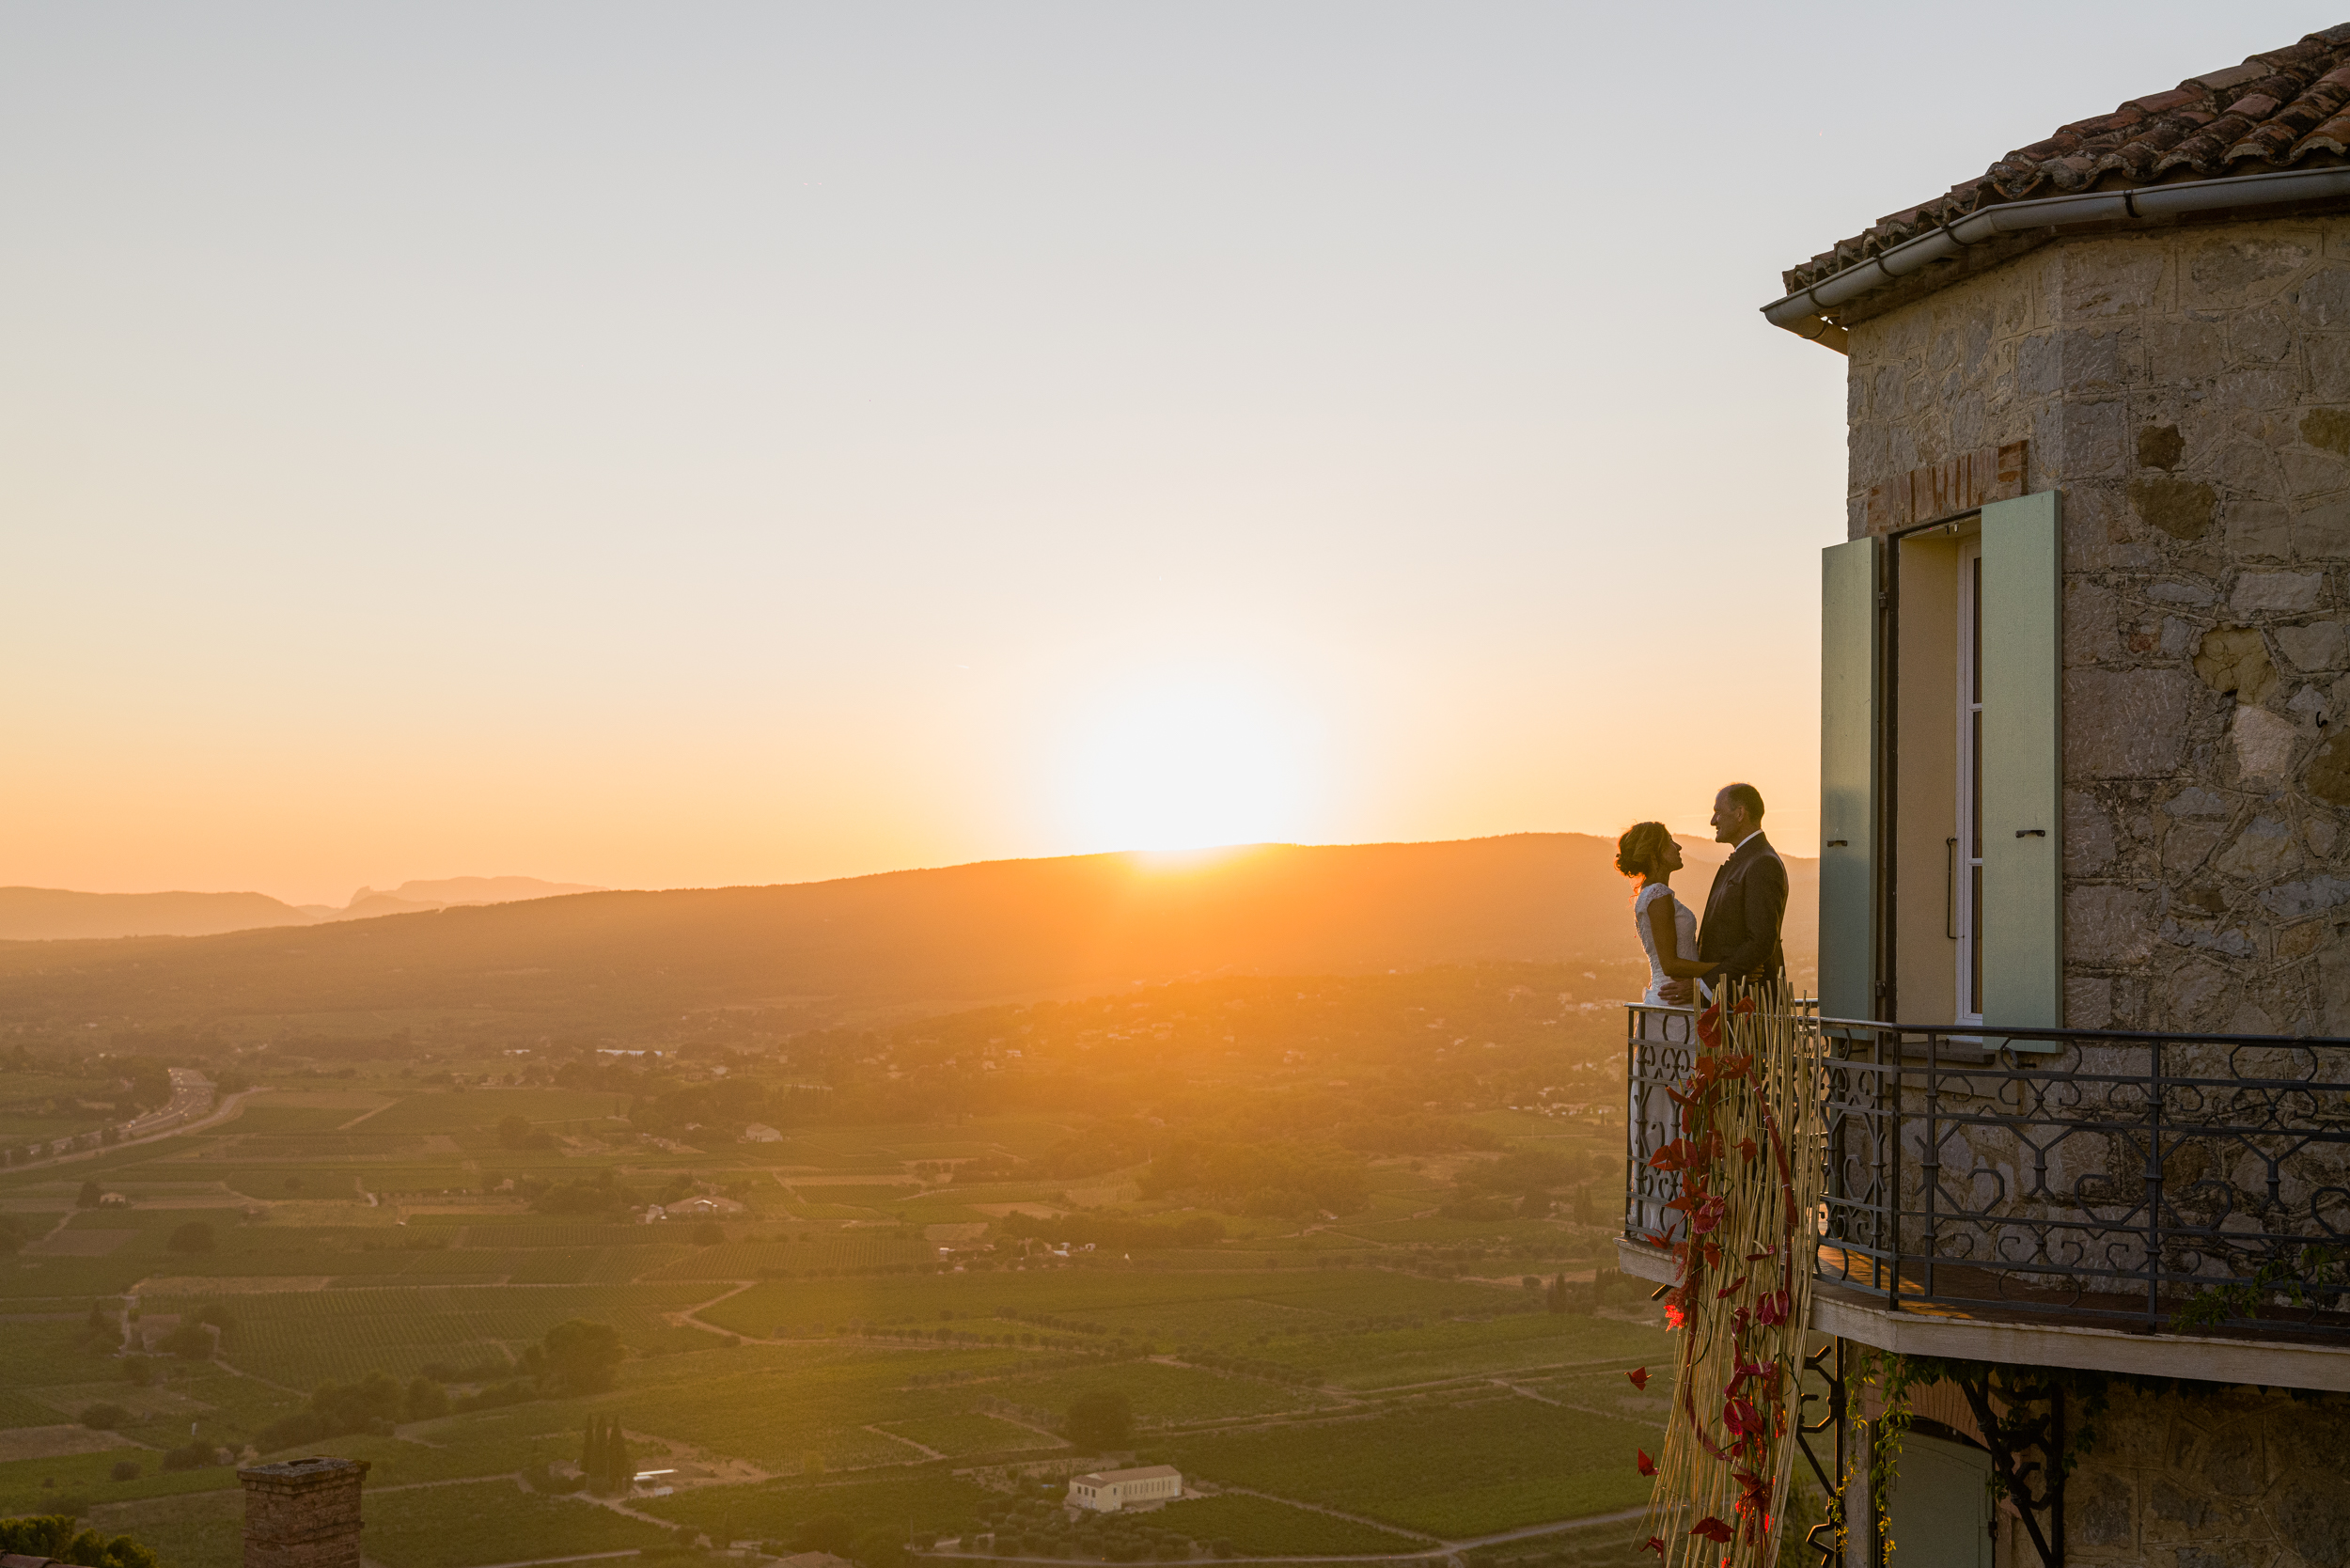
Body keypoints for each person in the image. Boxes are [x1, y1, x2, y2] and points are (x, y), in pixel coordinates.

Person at [1696, 781, 1788, 997]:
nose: (1712, 821)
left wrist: (1707, 987)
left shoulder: (1762, 862)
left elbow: (1762, 941)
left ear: (1740, 813)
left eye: (1718, 812)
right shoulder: (1746, 859)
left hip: (1746, 1006)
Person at [1615, 821, 1712, 1009]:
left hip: (1670, 995)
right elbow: (1670, 965)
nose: (1678, 847)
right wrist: (1725, 969)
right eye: (1669, 841)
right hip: (1676, 1000)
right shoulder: (1659, 895)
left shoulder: (1647, 893)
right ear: (1653, 855)